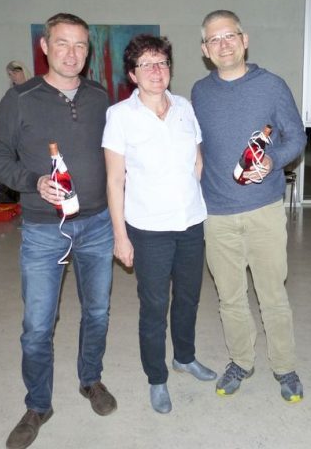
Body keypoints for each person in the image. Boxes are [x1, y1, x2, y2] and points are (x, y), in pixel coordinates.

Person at [0, 13, 117, 449]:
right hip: (44, 229)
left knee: (97, 313)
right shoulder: (20, 98)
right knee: (38, 325)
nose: (72, 53)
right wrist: (33, 181)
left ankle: (90, 380)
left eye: (80, 45)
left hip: (97, 224)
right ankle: (38, 405)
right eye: (62, 43)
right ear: (45, 46)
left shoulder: (100, 97)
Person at [191, 10, 306, 402]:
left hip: (263, 210)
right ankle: (241, 360)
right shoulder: (199, 93)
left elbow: (296, 136)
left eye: (229, 36)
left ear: (244, 40)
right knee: (230, 298)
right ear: (205, 49)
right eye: (214, 39)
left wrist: (273, 160)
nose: (223, 44)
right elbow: (196, 146)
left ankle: (285, 367)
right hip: (216, 214)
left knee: (273, 295)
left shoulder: (271, 86)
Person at [102, 34, 216, 414]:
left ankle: (184, 357)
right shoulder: (120, 116)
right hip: (148, 229)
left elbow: (197, 162)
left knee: (188, 297)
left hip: (190, 223)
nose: (156, 70)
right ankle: (157, 377)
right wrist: (120, 236)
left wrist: (186, 197)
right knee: (154, 306)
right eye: (146, 64)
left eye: (162, 63)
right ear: (133, 74)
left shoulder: (185, 108)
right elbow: (115, 180)